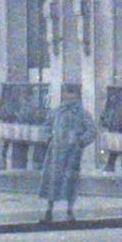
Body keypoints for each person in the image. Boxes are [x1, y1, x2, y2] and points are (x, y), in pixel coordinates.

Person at [38, 84, 96, 225]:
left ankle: (70, 212)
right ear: (63, 95)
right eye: (68, 93)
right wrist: (49, 139)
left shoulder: (82, 113)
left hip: (72, 153)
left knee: (71, 181)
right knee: (52, 180)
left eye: (73, 94)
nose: (70, 97)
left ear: (77, 96)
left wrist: (80, 142)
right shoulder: (56, 112)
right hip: (56, 152)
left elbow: (92, 130)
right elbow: (45, 127)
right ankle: (49, 211)